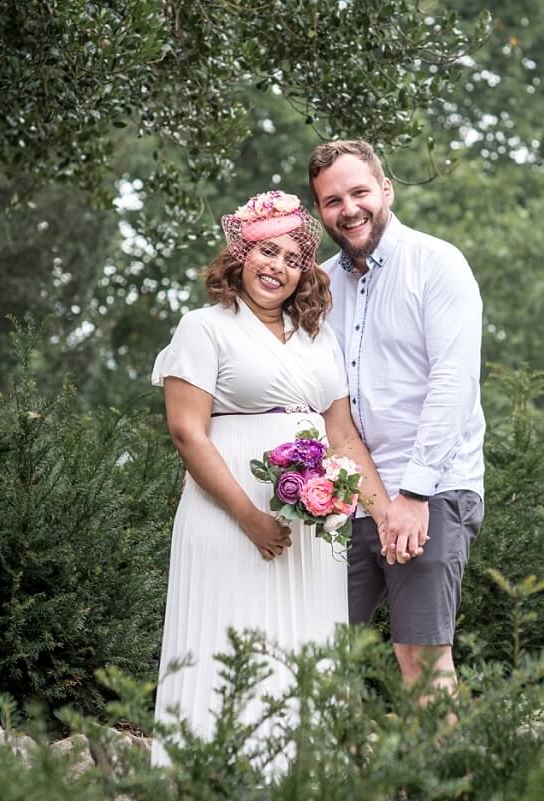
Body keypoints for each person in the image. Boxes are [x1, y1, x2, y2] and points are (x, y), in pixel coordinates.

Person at [149, 189, 390, 769]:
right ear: (240, 255)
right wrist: (251, 517)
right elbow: (188, 433)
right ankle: (209, 769)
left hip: (312, 530)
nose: (276, 267)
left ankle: (298, 774)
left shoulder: (317, 337)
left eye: (291, 258)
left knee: (301, 646)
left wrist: (379, 513)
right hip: (229, 520)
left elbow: (344, 436)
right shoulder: (204, 329)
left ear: (303, 272)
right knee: (226, 640)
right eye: (266, 252)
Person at [308, 140, 486, 696]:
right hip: (350, 496)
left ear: (385, 190)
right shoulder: (318, 285)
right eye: (332, 200)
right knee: (315, 652)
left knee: (420, 659)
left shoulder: (437, 264)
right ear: (320, 211)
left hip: (431, 488)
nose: (349, 209)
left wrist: (413, 494)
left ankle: (446, 782)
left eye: (359, 192)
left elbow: (453, 385)